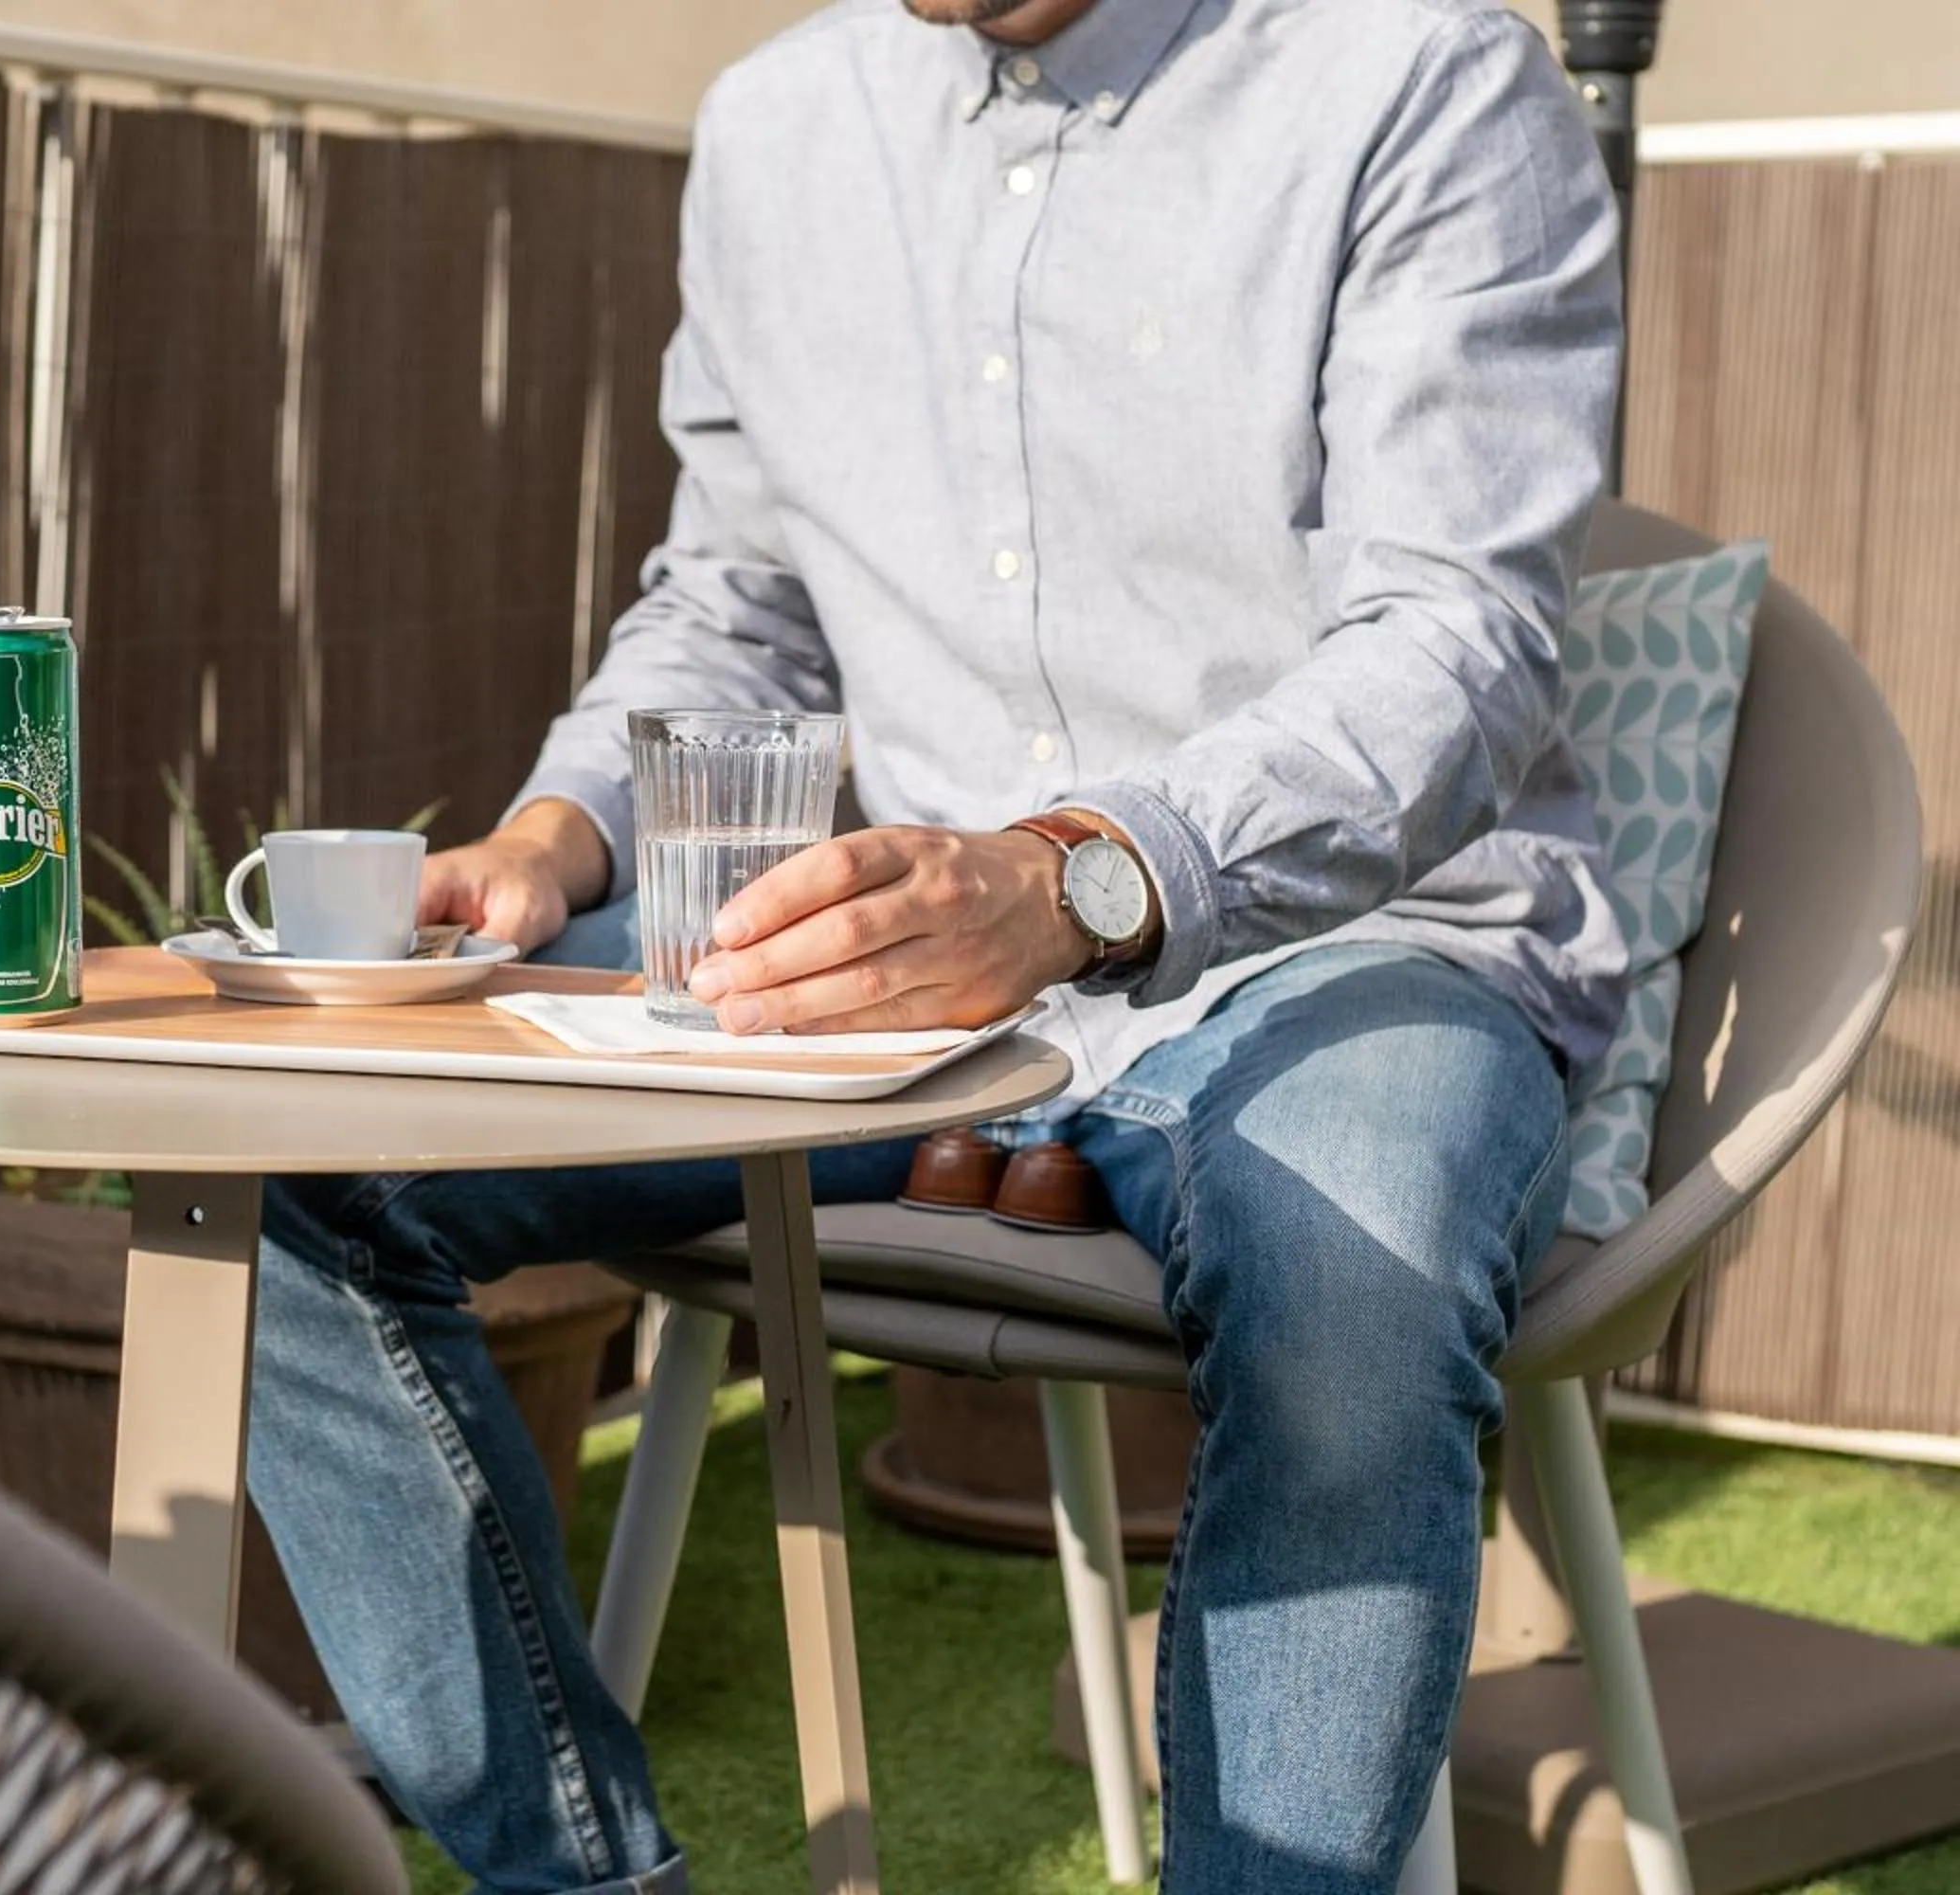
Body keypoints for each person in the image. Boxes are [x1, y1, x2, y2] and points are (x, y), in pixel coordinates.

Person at [244, 0, 1622, 1886]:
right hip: (909, 983)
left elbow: (1457, 643)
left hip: (1359, 943)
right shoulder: (777, 129)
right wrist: (561, 834)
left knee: (1352, 1300)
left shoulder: (1423, 76)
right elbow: (737, 603)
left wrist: (1072, 881)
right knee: (307, 1164)